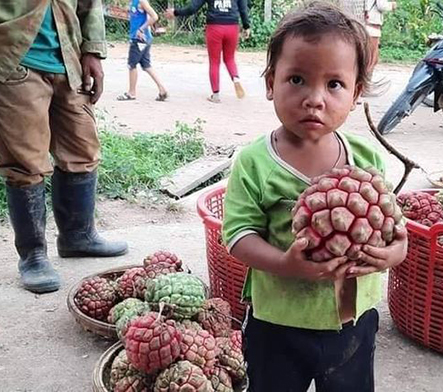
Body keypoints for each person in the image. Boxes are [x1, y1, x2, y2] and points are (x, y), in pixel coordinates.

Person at [221, 3, 408, 391]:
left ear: (356, 93)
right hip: (278, 322)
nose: (315, 98)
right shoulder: (254, 162)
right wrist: (286, 263)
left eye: (334, 84)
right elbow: (238, 236)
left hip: (353, 321)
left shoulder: (367, 157)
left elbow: (395, 230)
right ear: (271, 81)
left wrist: (395, 253)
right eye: (297, 79)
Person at [0, 2, 129, 294]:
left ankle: (78, 236)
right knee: (25, 163)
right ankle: (33, 256)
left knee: (82, 150)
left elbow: (89, 3)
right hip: (11, 58)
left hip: (69, 58)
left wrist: (92, 49)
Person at [165, 0, 250, 103]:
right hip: (232, 27)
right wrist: (246, 26)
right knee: (229, 59)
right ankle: (235, 78)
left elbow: (192, 8)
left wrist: (176, 12)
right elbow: (243, 10)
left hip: (214, 27)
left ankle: (215, 95)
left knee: (214, 62)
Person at [117, 0, 168, 101]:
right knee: (146, 65)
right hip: (143, 39)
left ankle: (131, 93)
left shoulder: (141, 1)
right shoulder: (134, 2)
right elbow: (147, 17)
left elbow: (154, 16)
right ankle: (162, 89)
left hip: (139, 39)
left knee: (132, 65)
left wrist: (141, 29)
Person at [364, 0, 397, 75]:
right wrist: (392, 5)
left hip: (368, 25)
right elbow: (381, 5)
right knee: (371, 60)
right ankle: (365, 83)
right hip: (372, 27)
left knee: (370, 59)